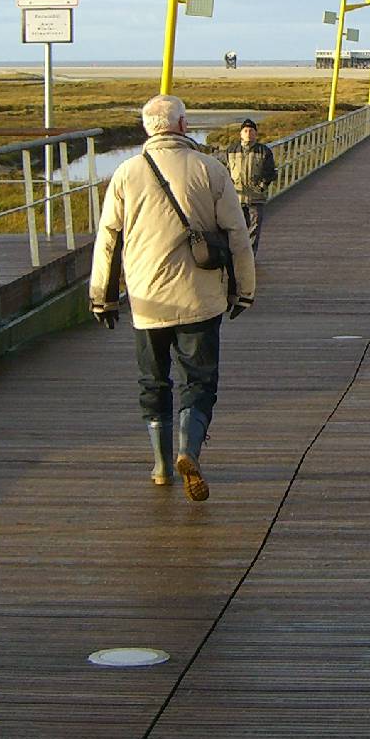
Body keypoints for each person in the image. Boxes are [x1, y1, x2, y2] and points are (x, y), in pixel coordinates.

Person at [91, 95, 256, 502]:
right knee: (198, 380)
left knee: (153, 380)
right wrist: (245, 290)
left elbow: (108, 240)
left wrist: (102, 297)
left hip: (147, 300)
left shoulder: (126, 174)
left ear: (149, 129)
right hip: (201, 297)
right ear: (183, 125)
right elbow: (237, 235)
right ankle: (189, 450)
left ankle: (162, 466)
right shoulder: (211, 169)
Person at [225, 118, 277, 249]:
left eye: (251, 131)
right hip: (237, 197)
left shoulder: (264, 151)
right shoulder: (231, 151)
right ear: (240, 133)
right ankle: (238, 256)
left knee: (254, 228)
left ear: (256, 133)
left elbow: (271, 172)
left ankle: (250, 257)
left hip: (256, 198)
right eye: (245, 131)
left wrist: (262, 186)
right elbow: (224, 171)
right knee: (237, 229)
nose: (248, 133)